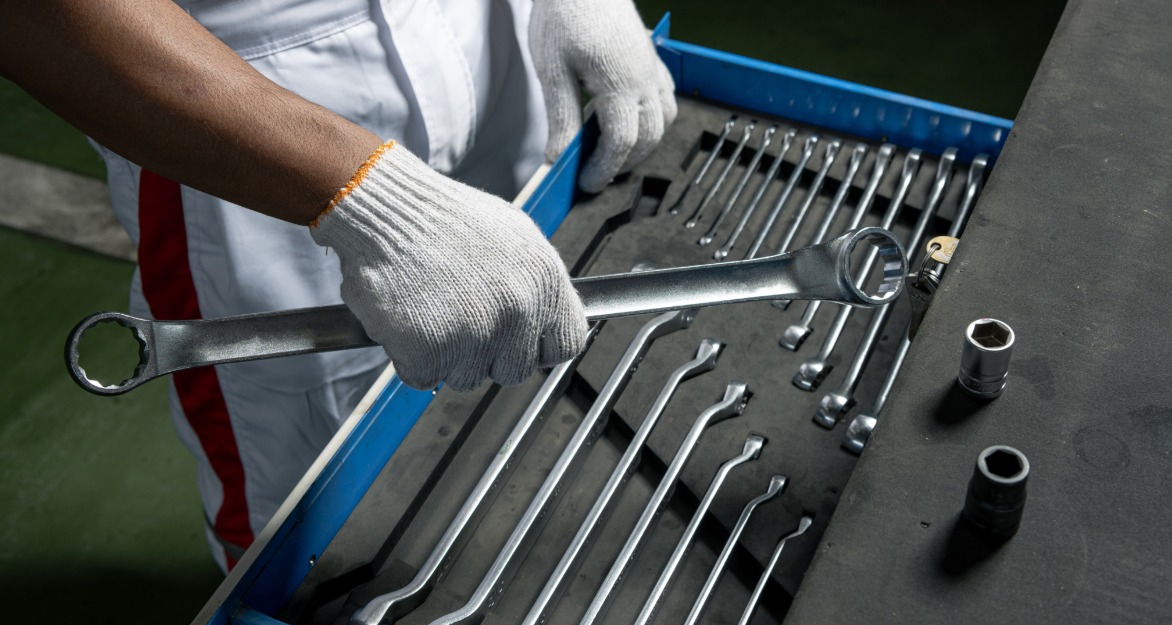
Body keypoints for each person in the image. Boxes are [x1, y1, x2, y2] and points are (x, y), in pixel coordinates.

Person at [0, 0, 676, 570]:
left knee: (505, 363)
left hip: (496, 38)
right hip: (242, 117)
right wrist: (366, 200)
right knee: (304, 520)